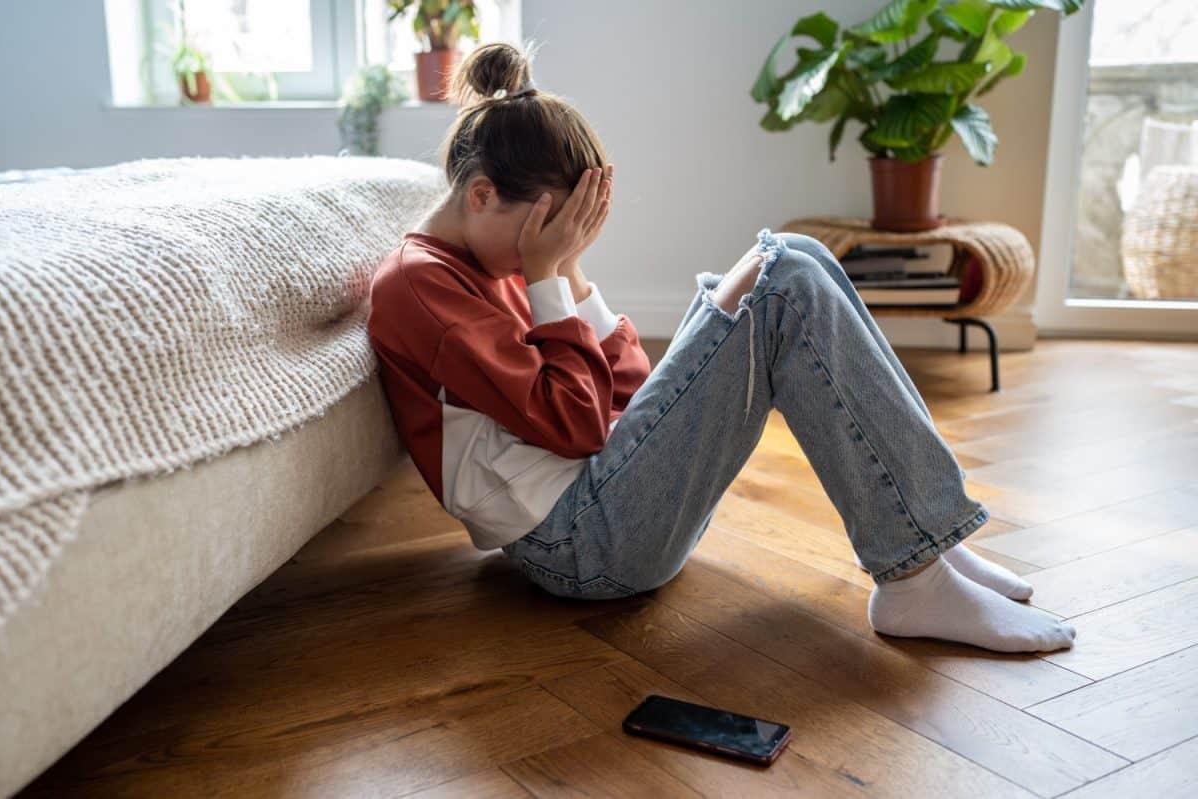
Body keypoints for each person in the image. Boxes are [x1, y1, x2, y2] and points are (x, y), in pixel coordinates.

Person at [366, 42, 1076, 654]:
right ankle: (916, 577)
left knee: (792, 257)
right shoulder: (424, 286)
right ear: (482, 195)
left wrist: (570, 271)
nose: (547, 249)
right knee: (786, 278)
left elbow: (627, 392)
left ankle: (927, 542)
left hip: (603, 506)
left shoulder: (501, 261)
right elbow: (578, 425)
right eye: (550, 227)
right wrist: (547, 275)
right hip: (578, 546)